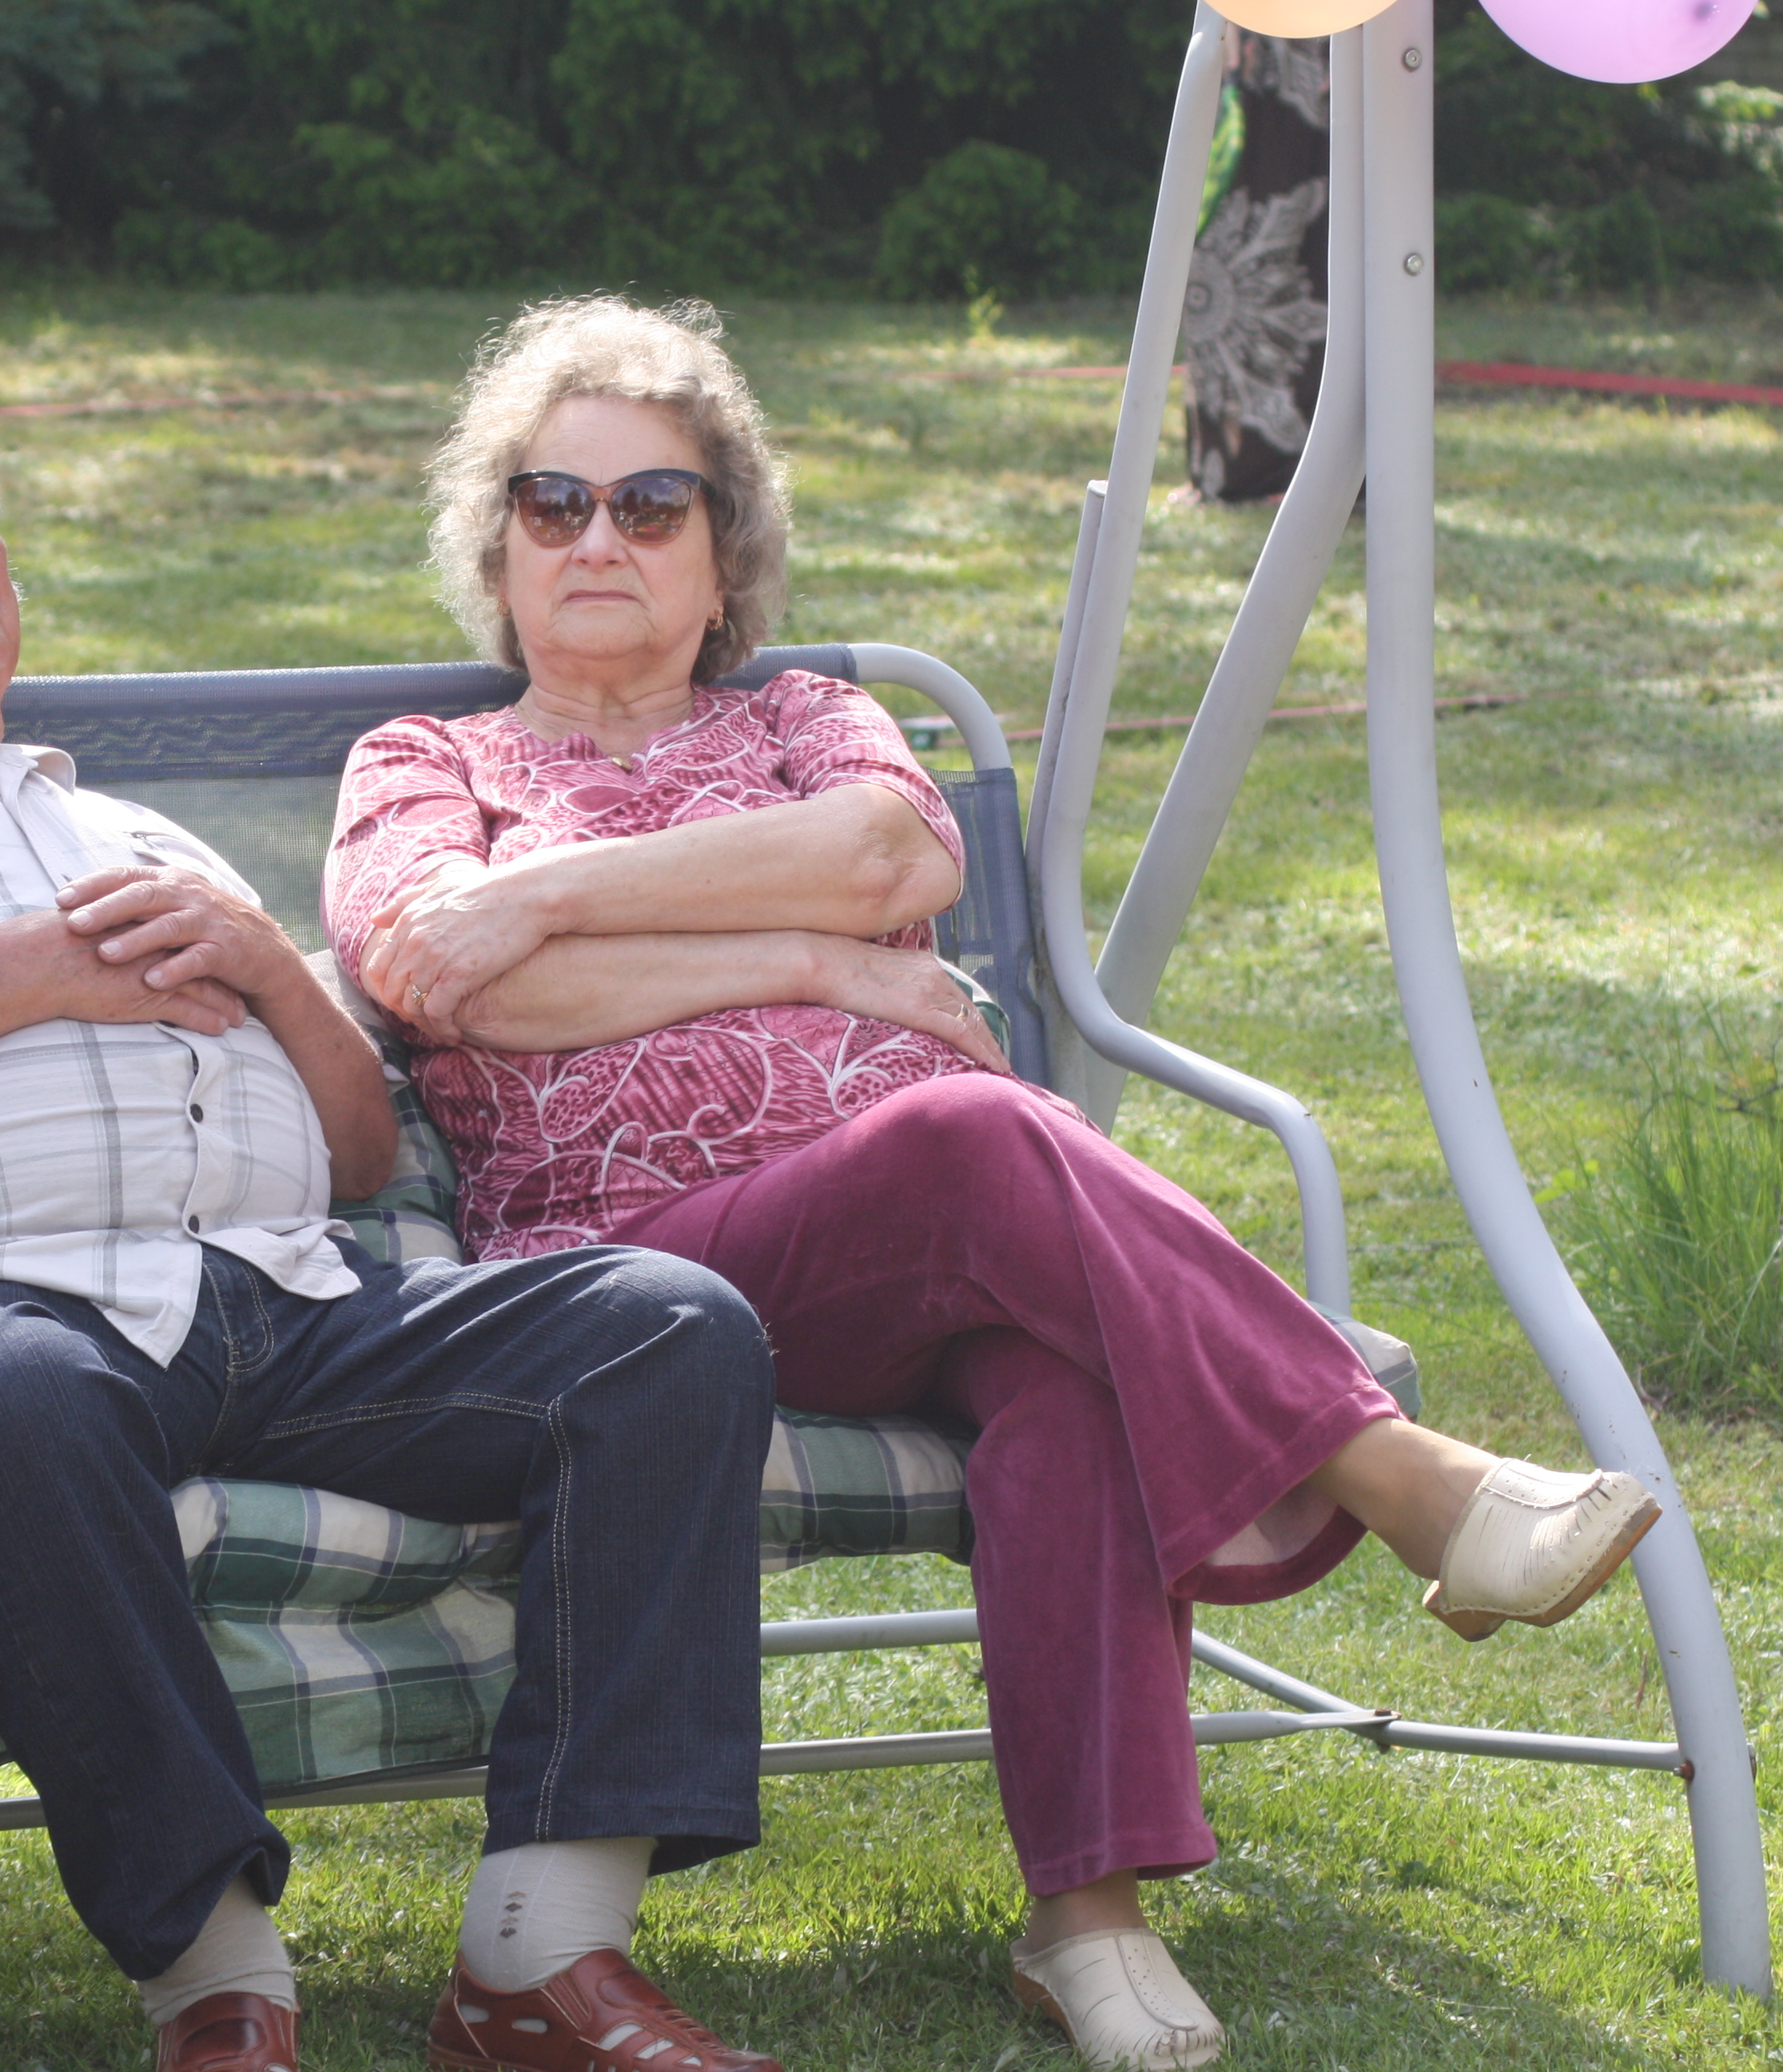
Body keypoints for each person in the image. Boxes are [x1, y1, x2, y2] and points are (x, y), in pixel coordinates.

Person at [322, 297, 1664, 2072]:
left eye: (649, 504)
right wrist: (814, 961)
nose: (595, 537)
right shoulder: (429, 764)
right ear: (499, 550)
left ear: (724, 560)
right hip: (641, 1282)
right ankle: (1406, 1478)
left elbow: (893, 849)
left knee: (1066, 1374)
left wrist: (557, 897)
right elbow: (441, 977)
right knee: (976, 1133)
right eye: (550, 501)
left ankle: (1085, 1917)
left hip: (933, 1254)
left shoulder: (809, 717)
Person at [0, 363, 790, 2072]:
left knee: (662, 1329)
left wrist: (275, 972)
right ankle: (219, 1982)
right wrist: (21, 972)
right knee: (22, 1398)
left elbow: (357, 1155)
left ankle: (541, 1953)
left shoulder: (130, 828)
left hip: (279, 1301)